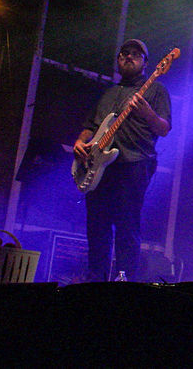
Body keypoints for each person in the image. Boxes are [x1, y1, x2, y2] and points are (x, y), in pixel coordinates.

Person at [72, 39, 171, 281]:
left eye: (136, 54)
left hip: (134, 163)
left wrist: (147, 112)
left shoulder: (156, 90)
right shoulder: (107, 93)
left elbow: (164, 128)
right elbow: (91, 127)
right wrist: (80, 142)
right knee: (97, 226)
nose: (129, 56)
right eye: (124, 53)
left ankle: (123, 282)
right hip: (100, 167)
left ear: (146, 63)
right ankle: (95, 279)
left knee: (127, 226)